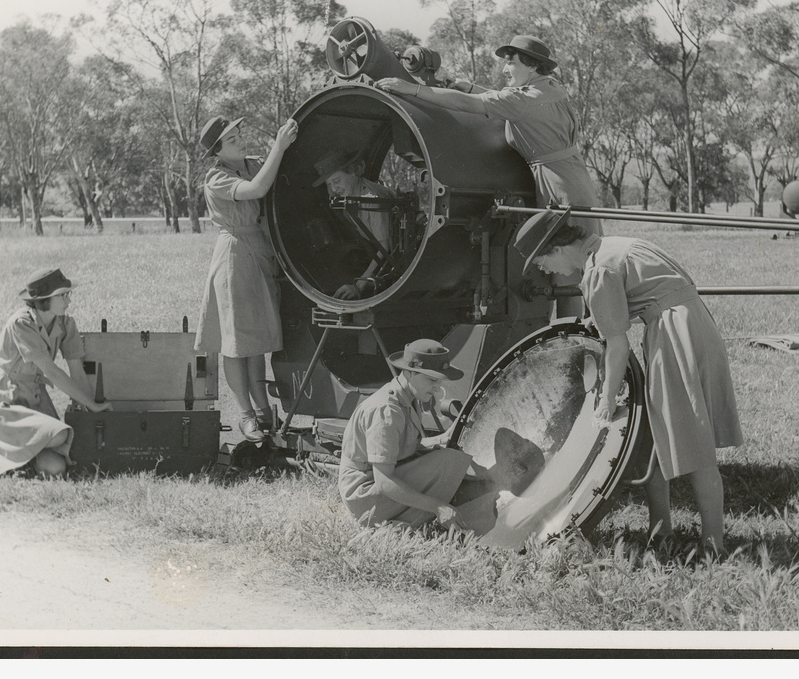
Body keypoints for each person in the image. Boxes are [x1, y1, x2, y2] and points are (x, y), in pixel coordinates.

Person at [515, 208, 744, 555]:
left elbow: (617, 345)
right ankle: (660, 530)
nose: (545, 271)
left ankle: (714, 545)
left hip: (676, 338)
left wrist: (606, 400)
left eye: (542, 262)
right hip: (692, 326)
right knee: (653, 438)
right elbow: (650, 296)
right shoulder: (615, 246)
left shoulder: (598, 270)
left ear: (558, 249)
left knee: (697, 447)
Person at [375, 34, 602, 243]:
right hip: (574, 178)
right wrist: (471, 88)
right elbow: (508, 102)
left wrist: (412, 89)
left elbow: (467, 103)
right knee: (583, 248)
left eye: (511, 63)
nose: (504, 70)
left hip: (557, 186)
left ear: (532, 66)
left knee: (569, 249)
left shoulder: (523, 100)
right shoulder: (549, 88)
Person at [194, 114, 298, 443]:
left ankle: (264, 410)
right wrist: (279, 147)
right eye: (232, 139)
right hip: (235, 256)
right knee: (236, 344)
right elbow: (258, 189)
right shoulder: (217, 177)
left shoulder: (252, 164)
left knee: (257, 342)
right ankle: (245, 415)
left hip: (260, 251)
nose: (241, 140)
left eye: (239, 134)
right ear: (217, 151)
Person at [0, 268, 112, 479]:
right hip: (5, 401)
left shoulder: (66, 323)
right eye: (63, 295)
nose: (69, 300)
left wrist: (92, 410)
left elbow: (77, 371)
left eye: (68, 294)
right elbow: (53, 372)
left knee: (56, 468)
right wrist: (93, 406)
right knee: (61, 435)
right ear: (44, 300)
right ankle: (10, 454)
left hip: (35, 397)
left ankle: (22, 462)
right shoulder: (21, 323)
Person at [338, 339, 475, 531]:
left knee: (449, 457)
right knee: (447, 461)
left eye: (439, 381)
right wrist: (437, 507)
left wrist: (441, 439)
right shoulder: (386, 410)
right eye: (432, 380)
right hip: (364, 495)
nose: (437, 388)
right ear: (410, 372)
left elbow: (405, 446)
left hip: (376, 481)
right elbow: (384, 482)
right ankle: (392, 525)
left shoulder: (408, 397)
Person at [311, 148, 396, 300]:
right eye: (329, 184)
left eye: (337, 181)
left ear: (352, 171)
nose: (334, 188)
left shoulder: (372, 197)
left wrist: (359, 286)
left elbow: (385, 246)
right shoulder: (350, 197)